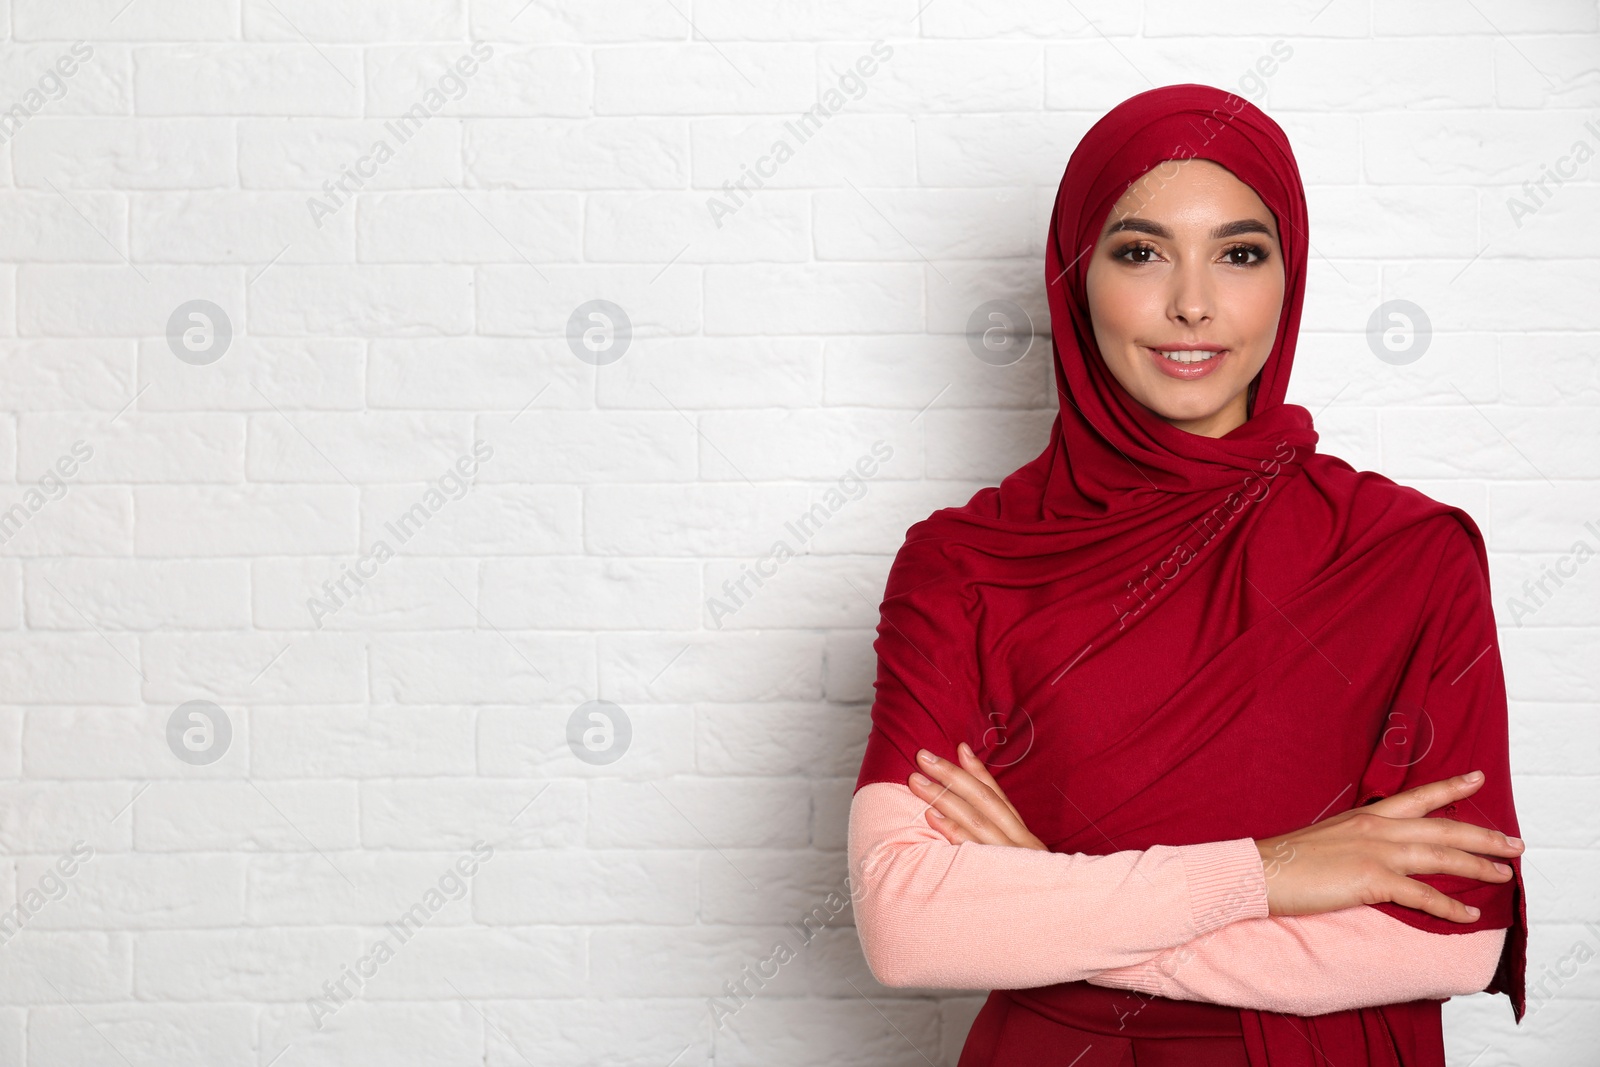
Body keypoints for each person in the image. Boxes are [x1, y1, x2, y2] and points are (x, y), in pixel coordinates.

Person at [848, 84, 1528, 1066]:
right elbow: (909, 923)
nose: (1193, 303)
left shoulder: (1406, 551)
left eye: (1239, 254)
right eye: (1140, 252)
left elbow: (1456, 933)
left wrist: (1055, 896)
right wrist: (1266, 870)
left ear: (1289, 276)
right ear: (1074, 274)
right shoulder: (965, 561)